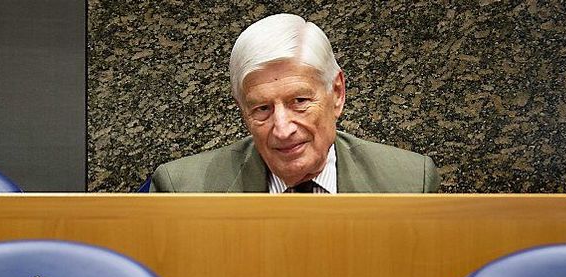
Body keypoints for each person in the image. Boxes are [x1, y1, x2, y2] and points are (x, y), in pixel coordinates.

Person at [150, 14, 439, 193]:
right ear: (242, 110)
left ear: (337, 93)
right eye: (262, 109)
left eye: (299, 101)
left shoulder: (409, 182)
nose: (282, 129)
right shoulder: (183, 190)